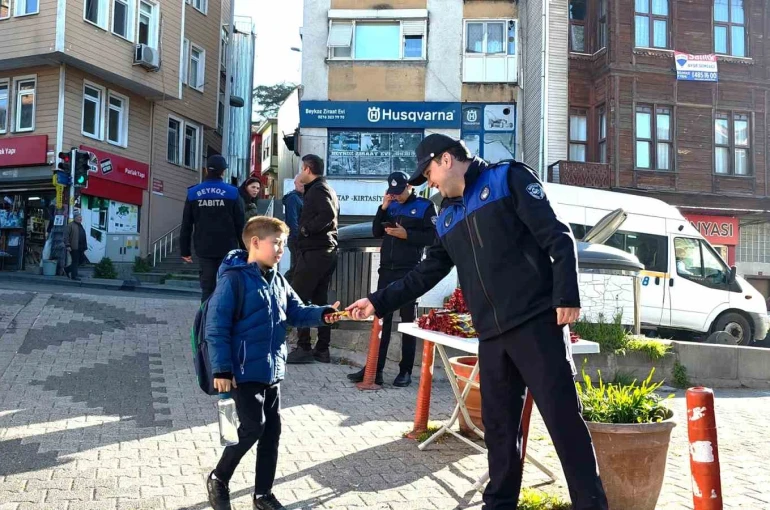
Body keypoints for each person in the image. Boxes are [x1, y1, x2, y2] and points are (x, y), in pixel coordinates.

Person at [347, 134, 609, 510]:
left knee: (563, 422)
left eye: (430, 172)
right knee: (500, 432)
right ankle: (498, 504)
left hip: (536, 324)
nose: (430, 182)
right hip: (492, 335)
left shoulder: (508, 179)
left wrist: (566, 295)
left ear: (448, 159)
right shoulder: (448, 214)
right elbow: (424, 274)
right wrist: (376, 301)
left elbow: (558, 236)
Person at [204, 216, 343, 510]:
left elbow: (297, 312)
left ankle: (263, 495)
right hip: (241, 372)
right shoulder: (233, 279)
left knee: (271, 433)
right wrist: (222, 369)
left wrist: (324, 313)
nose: (281, 249)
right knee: (253, 428)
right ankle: (219, 477)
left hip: (272, 371)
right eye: (276, 243)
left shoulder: (278, 280)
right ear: (255, 242)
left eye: (283, 244)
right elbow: (216, 327)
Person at [347, 171, 437, 387]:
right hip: (386, 270)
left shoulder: (425, 206)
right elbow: (377, 231)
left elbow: (434, 237)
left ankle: (405, 371)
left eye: (400, 192)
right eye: (392, 192)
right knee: (381, 320)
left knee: (407, 323)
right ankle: (374, 368)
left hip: (409, 271)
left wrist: (408, 235)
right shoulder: (391, 205)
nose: (396, 196)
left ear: (410, 187)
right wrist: (383, 207)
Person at [286, 154, 340, 364]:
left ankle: (304, 347)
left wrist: (306, 229)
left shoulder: (318, 189)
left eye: (301, 169)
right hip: (324, 252)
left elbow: (327, 215)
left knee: (298, 298)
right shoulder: (325, 189)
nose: (299, 174)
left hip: (316, 251)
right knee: (319, 299)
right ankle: (322, 349)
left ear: (308, 169)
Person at [180, 155, 245, 302]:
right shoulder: (233, 193)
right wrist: (245, 250)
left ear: (206, 170)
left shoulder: (193, 193)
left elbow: (187, 224)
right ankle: (224, 321)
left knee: (207, 289)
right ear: (223, 172)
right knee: (226, 288)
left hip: (204, 249)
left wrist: (185, 251)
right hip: (227, 249)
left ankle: (205, 321)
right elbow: (240, 225)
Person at [281, 174, 304, 283]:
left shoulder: (303, 197)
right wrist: (297, 237)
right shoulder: (293, 198)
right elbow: (292, 220)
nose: (303, 184)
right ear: (295, 183)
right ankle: (281, 286)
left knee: (299, 267)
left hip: (301, 238)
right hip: (297, 239)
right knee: (298, 268)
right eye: (301, 182)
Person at [64, 212, 88, 281]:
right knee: (75, 261)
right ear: (75, 218)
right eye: (79, 217)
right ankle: (74, 276)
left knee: (81, 261)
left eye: (81, 217)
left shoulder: (80, 225)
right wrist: (68, 245)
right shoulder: (70, 225)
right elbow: (66, 236)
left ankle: (67, 269)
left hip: (80, 247)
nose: (80, 219)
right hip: (74, 247)